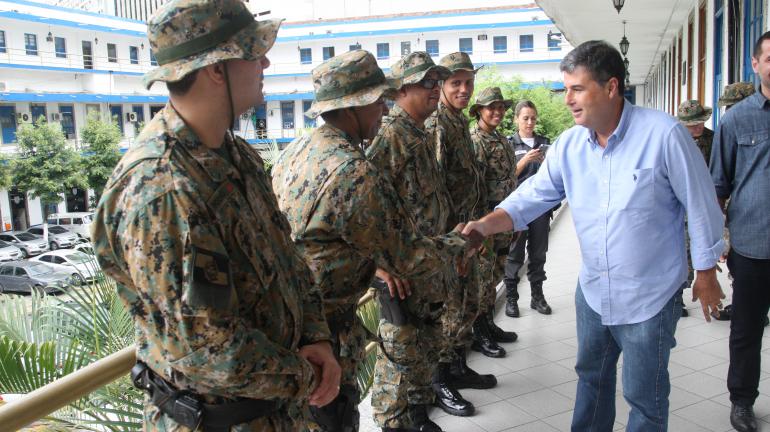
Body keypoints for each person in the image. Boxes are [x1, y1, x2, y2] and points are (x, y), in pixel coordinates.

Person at [91, 1, 342, 430]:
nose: (264, 61)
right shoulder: (163, 190)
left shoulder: (236, 154)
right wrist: (307, 374)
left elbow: (286, 261)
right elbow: (207, 351)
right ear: (215, 69)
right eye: (252, 52)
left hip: (276, 412)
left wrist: (316, 336)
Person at [463, 40, 725, 431]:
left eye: (577, 89)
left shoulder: (664, 135)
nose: (567, 99)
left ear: (611, 87)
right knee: (591, 380)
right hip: (594, 293)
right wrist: (484, 225)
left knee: (645, 396)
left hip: (649, 297)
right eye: (565, 88)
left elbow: (701, 204)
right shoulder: (570, 146)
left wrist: (705, 272)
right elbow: (531, 198)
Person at [271, 50, 482, 432]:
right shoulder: (352, 171)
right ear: (353, 107)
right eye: (378, 102)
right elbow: (408, 256)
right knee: (335, 415)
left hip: (297, 319)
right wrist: (461, 241)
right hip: (326, 330)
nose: (384, 111)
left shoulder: (298, 150)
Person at [365, 51, 469, 432]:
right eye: (427, 82)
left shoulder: (419, 134)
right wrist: (378, 266)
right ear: (401, 89)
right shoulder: (389, 136)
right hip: (400, 274)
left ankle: (416, 415)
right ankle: (394, 422)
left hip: (428, 268)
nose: (434, 89)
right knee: (398, 354)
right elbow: (363, 208)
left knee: (423, 348)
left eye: (435, 82)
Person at [426, 51, 497, 417]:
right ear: (441, 86)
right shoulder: (438, 124)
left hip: (467, 232)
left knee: (467, 303)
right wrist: (451, 244)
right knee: (449, 309)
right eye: (456, 83)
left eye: (469, 83)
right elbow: (435, 187)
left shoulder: (456, 122)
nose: (464, 90)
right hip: (449, 237)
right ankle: (439, 381)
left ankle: (456, 367)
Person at [711, 31, 770, 432]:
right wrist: (718, 242)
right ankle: (742, 402)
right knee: (747, 330)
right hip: (752, 246)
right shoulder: (737, 119)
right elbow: (719, 187)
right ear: (756, 63)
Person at [468, 86, 519, 357]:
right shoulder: (475, 141)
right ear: (480, 111)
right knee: (483, 279)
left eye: (501, 107)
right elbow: (473, 188)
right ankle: (480, 333)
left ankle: (489, 324)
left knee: (496, 272)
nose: (497, 112)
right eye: (492, 107)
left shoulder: (500, 139)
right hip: (486, 221)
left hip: (504, 220)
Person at [504, 100, 555, 317]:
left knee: (538, 253)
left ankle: (537, 297)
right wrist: (525, 160)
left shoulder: (544, 142)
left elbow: (554, 175)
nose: (529, 122)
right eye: (525, 118)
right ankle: (511, 299)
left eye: (533, 118)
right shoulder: (508, 144)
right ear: (516, 119)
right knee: (514, 255)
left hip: (540, 209)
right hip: (517, 209)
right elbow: (505, 178)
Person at [676, 99, 715, 317]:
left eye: (701, 123)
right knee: (681, 252)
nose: (698, 127)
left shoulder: (712, 139)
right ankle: (677, 297)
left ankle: (710, 293)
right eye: (693, 124)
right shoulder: (675, 141)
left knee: (707, 250)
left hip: (705, 206)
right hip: (680, 208)